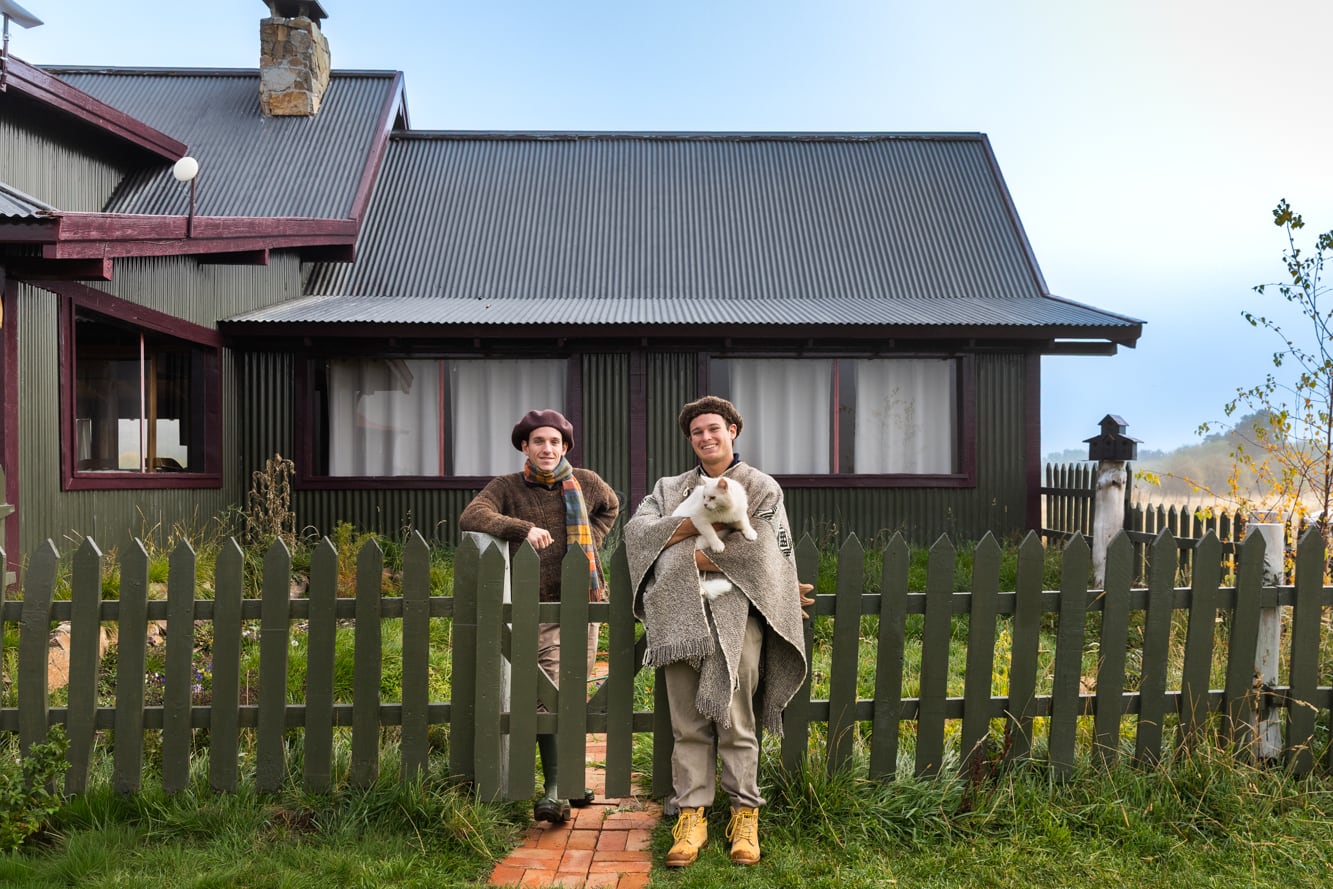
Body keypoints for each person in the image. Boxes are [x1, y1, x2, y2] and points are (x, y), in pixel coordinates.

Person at [625, 396, 808, 867]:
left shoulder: (761, 487)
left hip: (737, 615)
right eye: (696, 432)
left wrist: (676, 550)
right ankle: (692, 816)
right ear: (690, 439)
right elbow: (637, 534)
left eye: (713, 428)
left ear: (732, 431)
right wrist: (694, 533)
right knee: (686, 721)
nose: (705, 437)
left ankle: (745, 814)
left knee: (737, 718)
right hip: (677, 619)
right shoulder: (669, 487)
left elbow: (760, 552)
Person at [459, 408, 620, 824]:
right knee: (549, 694)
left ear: (565, 447)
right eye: (538, 442)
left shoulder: (586, 482)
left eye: (554, 442)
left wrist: (588, 539)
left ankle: (569, 780)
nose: (547, 449)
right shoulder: (507, 487)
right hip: (539, 606)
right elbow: (472, 515)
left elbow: (610, 506)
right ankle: (555, 790)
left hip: (584, 601)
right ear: (525, 446)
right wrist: (522, 529)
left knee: (572, 692)